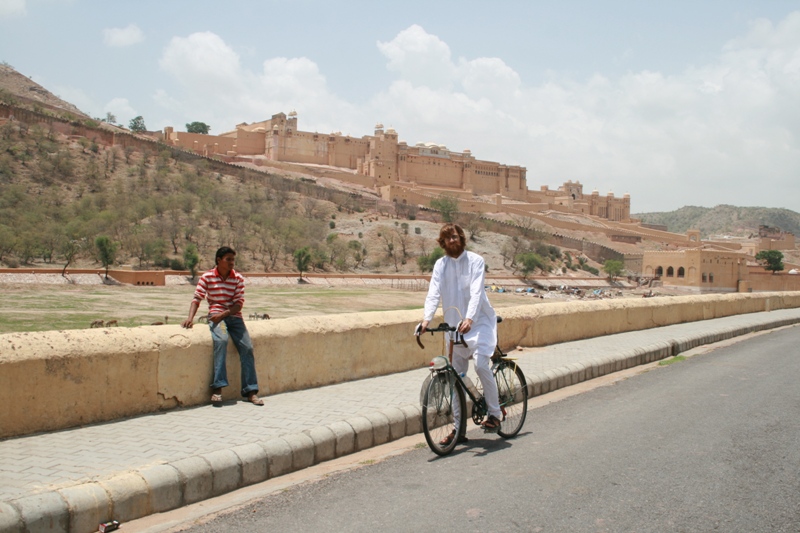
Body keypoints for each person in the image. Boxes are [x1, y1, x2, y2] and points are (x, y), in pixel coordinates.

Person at [419, 223, 502, 445]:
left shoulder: (475, 261)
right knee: (455, 379)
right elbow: (433, 292)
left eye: (454, 237)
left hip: (479, 322)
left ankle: (495, 414)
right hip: (455, 327)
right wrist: (426, 320)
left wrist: (470, 318)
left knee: (482, 365)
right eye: (447, 239)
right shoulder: (441, 265)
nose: (452, 241)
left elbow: (476, 291)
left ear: (461, 238)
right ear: (442, 243)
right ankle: (458, 430)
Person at [181, 246, 263, 406]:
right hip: (218, 318)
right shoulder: (207, 277)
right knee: (221, 341)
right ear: (219, 260)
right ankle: (218, 388)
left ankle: (251, 391)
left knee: (247, 347)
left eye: (233, 260)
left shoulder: (238, 278)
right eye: (228, 259)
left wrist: (223, 315)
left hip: (233, 317)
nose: (232, 263)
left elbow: (238, 305)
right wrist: (189, 318)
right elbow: (197, 298)